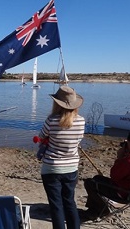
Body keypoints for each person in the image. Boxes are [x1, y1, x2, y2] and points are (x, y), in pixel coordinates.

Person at [81, 131, 130, 221]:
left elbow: (114, 176)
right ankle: (96, 209)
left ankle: (98, 211)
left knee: (90, 183)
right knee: (97, 179)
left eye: (128, 143)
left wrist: (120, 158)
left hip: (125, 194)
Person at [38, 86, 85, 229]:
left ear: (57, 103)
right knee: (70, 202)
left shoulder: (51, 120)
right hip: (71, 168)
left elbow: (41, 137)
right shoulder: (81, 121)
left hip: (51, 168)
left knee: (56, 206)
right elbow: (78, 140)